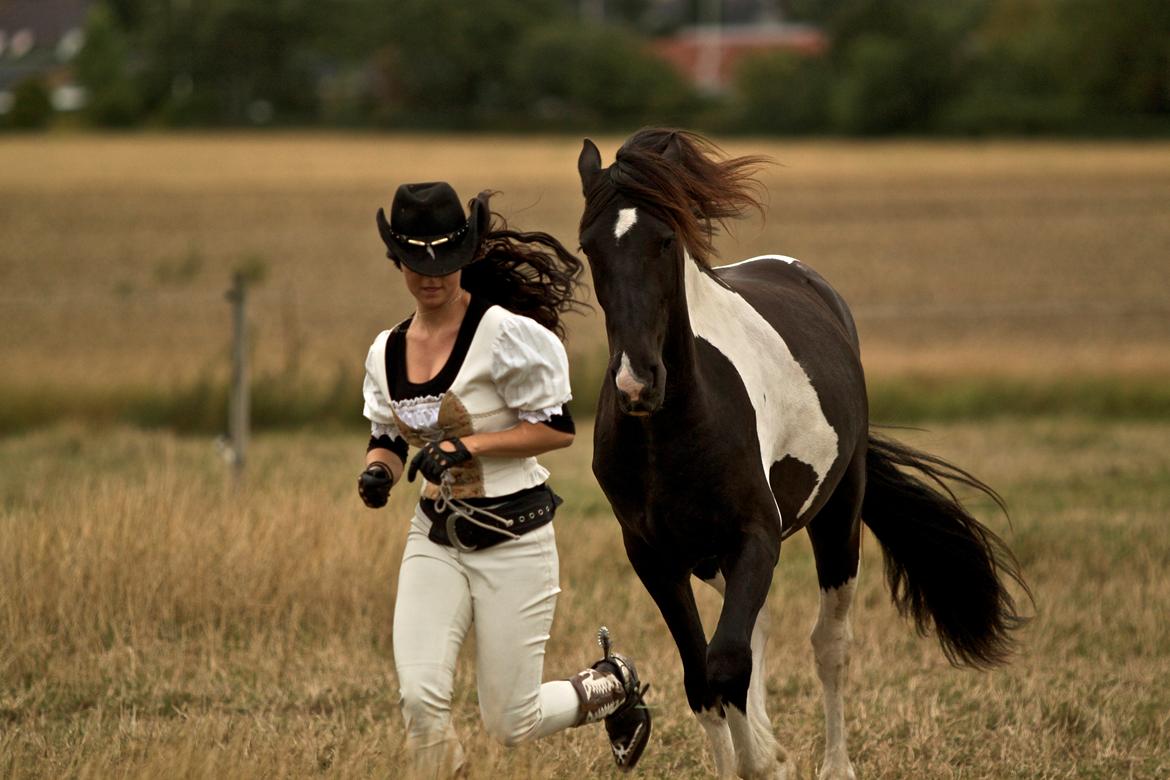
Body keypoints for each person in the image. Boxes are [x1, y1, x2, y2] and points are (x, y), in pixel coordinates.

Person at [358, 182, 651, 777]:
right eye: (416, 262)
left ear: (464, 256)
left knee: (509, 720)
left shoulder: (507, 336)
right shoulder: (385, 352)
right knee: (420, 699)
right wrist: (377, 473)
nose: (431, 276)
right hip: (434, 538)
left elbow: (557, 430)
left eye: (443, 261)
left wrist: (466, 445)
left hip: (514, 541)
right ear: (399, 262)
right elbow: (388, 436)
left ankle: (612, 686)